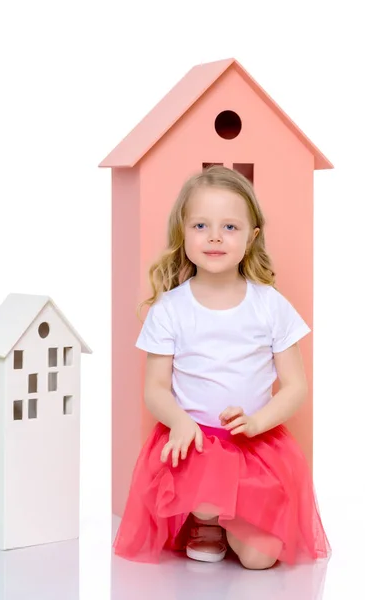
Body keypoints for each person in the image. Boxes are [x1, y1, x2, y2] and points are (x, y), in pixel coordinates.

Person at [113, 165, 330, 570]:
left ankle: (234, 518)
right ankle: (206, 517)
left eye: (230, 226)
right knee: (208, 484)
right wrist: (179, 421)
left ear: (252, 237)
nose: (214, 236)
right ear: (183, 232)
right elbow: (156, 388)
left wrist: (258, 421)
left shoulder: (269, 305)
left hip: (253, 444)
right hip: (194, 443)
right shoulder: (170, 309)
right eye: (201, 224)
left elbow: (296, 386)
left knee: (261, 561)